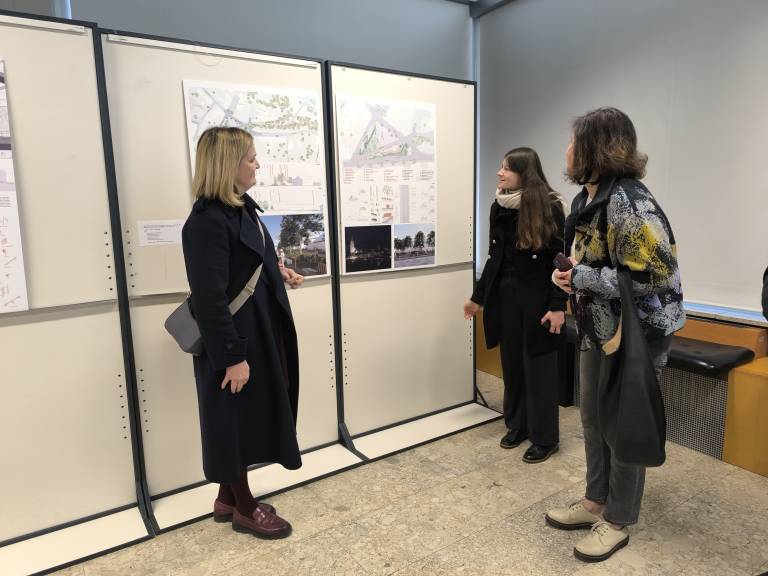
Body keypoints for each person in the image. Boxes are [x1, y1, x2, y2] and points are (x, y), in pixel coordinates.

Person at [548, 107, 685, 562]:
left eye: (574, 142)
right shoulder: (586, 200)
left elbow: (656, 276)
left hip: (638, 332)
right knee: (592, 417)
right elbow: (595, 262)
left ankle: (619, 518)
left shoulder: (629, 201)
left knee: (622, 425)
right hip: (599, 327)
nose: (567, 150)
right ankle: (595, 500)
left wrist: (582, 277)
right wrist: (570, 276)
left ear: (596, 148)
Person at [182, 127, 305, 540]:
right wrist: (233, 356)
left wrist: (280, 272)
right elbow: (209, 299)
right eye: (251, 158)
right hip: (233, 340)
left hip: (256, 331)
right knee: (231, 420)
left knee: (243, 416)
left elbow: (245, 264)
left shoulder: (242, 210)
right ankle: (246, 509)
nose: (258, 165)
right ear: (227, 164)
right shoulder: (205, 222)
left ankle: (226, 498)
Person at [464, 147, 567, 463]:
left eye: (507, 168)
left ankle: (545, 438)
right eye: (501, 166)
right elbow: (495, 257)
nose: (500, 173)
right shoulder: (499, 206)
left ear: (525, 173)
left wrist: (558, 306)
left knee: (539, 370)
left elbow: (560, 261)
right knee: (512, 366)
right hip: (505, 299)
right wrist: (478, 298)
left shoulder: (550, 206)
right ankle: (518, 425)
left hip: (539, 300)